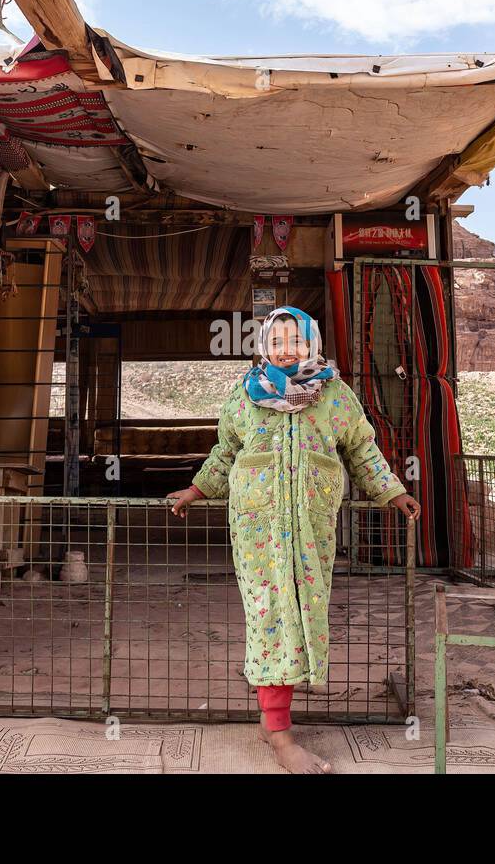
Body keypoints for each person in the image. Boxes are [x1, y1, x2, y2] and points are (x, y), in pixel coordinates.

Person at [168, 305, 420, 773]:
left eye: (296, 341)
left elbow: (362, 448)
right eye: (278, 341)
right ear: (264, 345)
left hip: (311, 527)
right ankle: (280, 734)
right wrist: (197, 488)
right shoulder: (244, 398)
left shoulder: (335, 396)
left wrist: (392, 491)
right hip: (257, 528)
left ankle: (277, 719)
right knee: (268, 615)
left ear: (312, 344)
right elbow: (225, 453)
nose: (287, 349)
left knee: (306, 613)